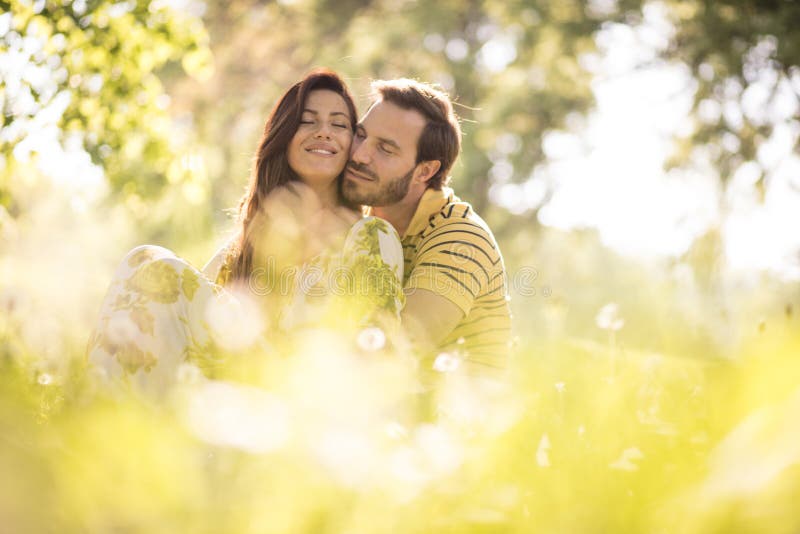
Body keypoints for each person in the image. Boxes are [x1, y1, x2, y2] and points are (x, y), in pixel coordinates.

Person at [87, 69, 404, 394]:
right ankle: (104, 416)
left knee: (157, 268)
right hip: (230, 396)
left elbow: (374, 348)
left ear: (353, 146)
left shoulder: (370, 236)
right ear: (285, 137)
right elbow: (177, 317)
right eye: (308, 121)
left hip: (303, 396)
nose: (324, 132)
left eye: (339, 124)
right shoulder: (241, 250)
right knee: (144, 260)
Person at [341, 78, 512, 382]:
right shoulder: (356, 223)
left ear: (425, 171)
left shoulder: (461, 237)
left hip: (458, 419)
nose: (359, 155)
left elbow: (395, 351)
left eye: (385, 149)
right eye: (361, 135)